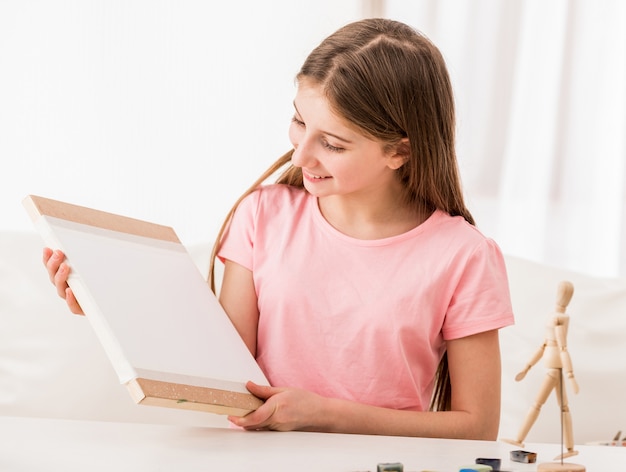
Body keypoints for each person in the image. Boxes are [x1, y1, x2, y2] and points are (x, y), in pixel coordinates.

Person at [43, 18, 514, 440]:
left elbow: (476, 426)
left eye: (331, 143)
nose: (300, 156)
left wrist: (325, 414)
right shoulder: (262, 216)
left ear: (400, 153)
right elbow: (223, 367)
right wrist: (110, 307)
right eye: (299, 121)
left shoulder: (463, 255)